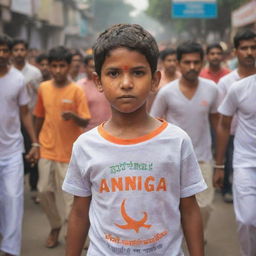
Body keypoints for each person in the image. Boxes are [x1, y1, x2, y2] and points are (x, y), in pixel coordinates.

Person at [63, 24, 206, 256]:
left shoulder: (176, 141)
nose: (126, 83)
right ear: (98, 81)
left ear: (155, 79)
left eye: (138, 72)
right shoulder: (86, 145)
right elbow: (79, 212)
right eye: (114, 73)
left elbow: (189, 209)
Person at [151, 41, 219, 236]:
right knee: (174, 207)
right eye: (187, 62)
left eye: (196, 62)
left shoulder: (212, 89)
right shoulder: (166, 92)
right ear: (179, 63)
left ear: (202, 62)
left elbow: (217, 123)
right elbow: (155, 123)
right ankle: (180, 239)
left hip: (203, 158)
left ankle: (196, 235)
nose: (192, 67)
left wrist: (220, 163)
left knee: (204, 207)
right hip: (172, 160)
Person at [33, 46, 91, 248]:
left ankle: (73, 233)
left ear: (68, 67)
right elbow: (39, 116)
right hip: (47, 148)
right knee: (42, 191)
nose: (58, 70)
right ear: (48, 67)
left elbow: (85, 121)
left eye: (62, 66)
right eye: (54, 66)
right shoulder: (43, 88)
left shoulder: (77, 90)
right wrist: (35, 143)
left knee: (70, 201)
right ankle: (55, 225)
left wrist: (73, 116)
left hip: (69, 153)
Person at [0, 35, 39, 256]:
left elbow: (25, 113)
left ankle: (10, 248)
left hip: (13, 149)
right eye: (0, 50)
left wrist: (34, 142)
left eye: (5, 50)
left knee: (13, 199)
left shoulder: (18, 80)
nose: (3, 55)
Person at [214, 74, 256, 256]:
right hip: (245, 162)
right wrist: (219, 165)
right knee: (247, 219)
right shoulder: (239, 88)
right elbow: (224, 125)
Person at [217, 29, 256, 203]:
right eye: (244, 48)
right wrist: (218, 164)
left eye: (253, 48)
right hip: (234, 137)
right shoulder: (227, 83)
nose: (249, 52)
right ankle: (227, 188)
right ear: (235, 52)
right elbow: (222, 119)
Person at [12, 39, 42, 203]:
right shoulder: (6, 72)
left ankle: (34, 187)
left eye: (22, 49)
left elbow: (40, 95)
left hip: (30, 117)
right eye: (15, 50)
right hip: (10, 119)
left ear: (27, 52)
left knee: (32, 149)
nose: (19, 53)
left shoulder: (34, 73)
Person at [77, 54, 111, 132]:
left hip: (109, 131)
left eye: (97, 66)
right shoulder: (79, 86)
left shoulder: (108, 83)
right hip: (88, 132)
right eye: (92, 67)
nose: (95, 69)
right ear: (85, 67)